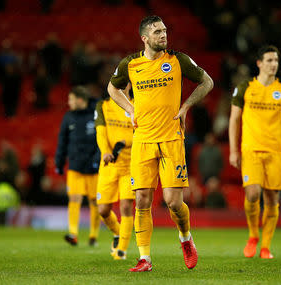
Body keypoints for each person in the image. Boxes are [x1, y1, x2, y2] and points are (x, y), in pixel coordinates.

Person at [107, 15, 213, 272]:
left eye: (165, 30)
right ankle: (145, 258)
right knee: (142, 199)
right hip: (142, 139)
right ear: (144, 38)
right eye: (157, 32)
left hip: (171, 138)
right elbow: (112, 88)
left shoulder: (178, 60)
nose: (163, 35)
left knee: (173, 202)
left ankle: (186, 238)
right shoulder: (130, 64)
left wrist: (186, 106)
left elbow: (207, 82)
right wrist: (130, 109)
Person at [229, 45, 281, 259]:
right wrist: (234, 150)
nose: (274, 64)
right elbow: (234, 119)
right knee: (252, 194)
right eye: (269, 60)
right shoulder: (245, 88)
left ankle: (266, 246)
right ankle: (253, 236)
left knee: (272, 199)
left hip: (276, 152)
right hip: (251, 150)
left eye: (276, 60)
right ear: (259, 63)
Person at [55, 86, 100, 246]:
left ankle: (93, 236)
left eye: (71, 99)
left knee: (95, 201)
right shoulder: (68, 117)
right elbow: (62, 141)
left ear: (80, 100)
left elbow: (103, 139)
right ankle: (73, 233)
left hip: (94, 167)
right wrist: (59, 162)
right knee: (74, 198)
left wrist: (97, 159)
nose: (69, 102)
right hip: (75, 165)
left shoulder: (96, 114)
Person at [94, 84, 135, 260]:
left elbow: (141, 132)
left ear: (130, 84)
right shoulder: (103, 106)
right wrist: (105, 151)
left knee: (126, 206)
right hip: (109, 163)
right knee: (103, 210)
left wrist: (126, 142)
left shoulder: (137, 105)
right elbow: (101, 132)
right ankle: (118, 233)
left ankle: (121, 250)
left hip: (130, 165)